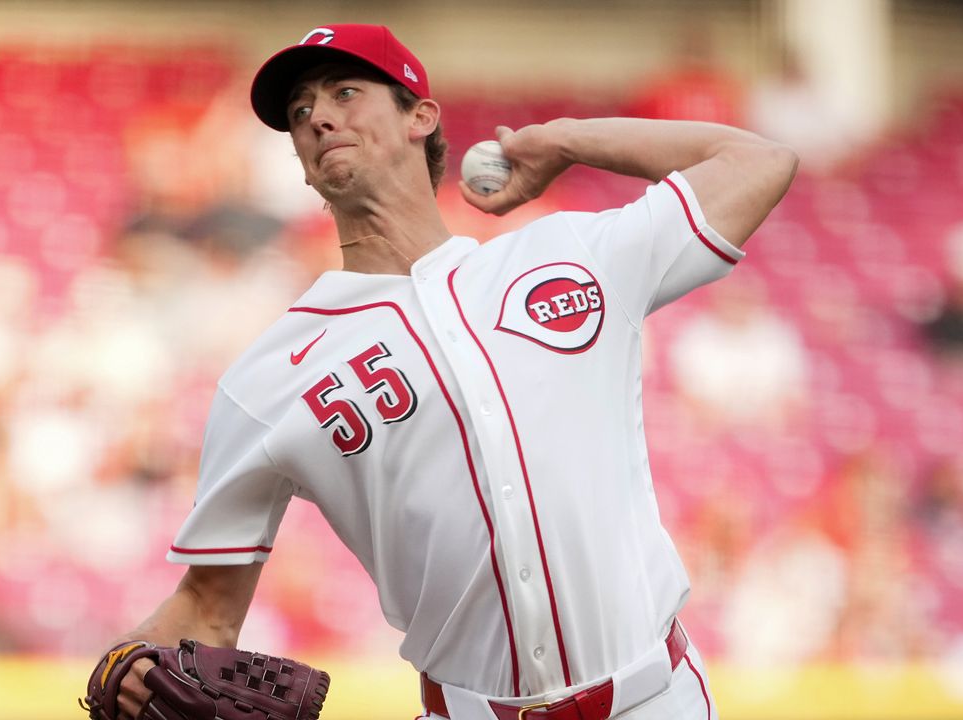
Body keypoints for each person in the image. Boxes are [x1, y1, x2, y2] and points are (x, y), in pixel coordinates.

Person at [101, 23, 797, 720]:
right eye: (300, 111)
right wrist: (122, 666)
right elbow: (207, 610)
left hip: (657, 700)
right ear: (302, 163)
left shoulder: (568, 256)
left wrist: (567, 139)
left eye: (345, 91)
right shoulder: (265, 381)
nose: (318, 116)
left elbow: (757, 161)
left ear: (420, 117)